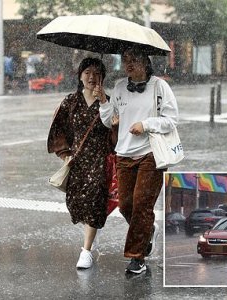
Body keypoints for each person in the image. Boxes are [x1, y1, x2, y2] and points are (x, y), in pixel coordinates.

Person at [98, 46, 178, 274]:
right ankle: (147, 230)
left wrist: (146, 124)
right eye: (125, 59)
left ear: (145, 62)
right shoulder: (120, 87)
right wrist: (104, 101)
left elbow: (171, 120)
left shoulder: (160, 87)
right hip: (123, 154)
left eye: (134, 59)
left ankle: (137, 258)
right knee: (126, 206)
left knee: (142, 205)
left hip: (150, 154)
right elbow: (109, 121)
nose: (129, 64)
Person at [47, 57, 113, 269]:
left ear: (103, 77)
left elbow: (114, 132)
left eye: (96, 73)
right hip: (77, 160)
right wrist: (65, 153)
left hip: (99, 159)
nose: (92, 77)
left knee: (94, 200)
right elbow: (59, 128)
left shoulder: (109, 102)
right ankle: (92, 231)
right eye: (87, 72)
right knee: (76, 203)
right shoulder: (70, 101)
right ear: (80, 75)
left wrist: (104, 102)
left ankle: (86, 250)